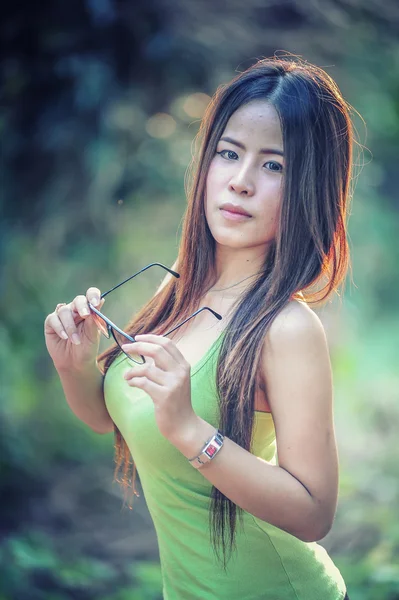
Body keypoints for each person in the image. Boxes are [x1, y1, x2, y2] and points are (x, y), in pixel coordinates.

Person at [44, 54, 356, 599]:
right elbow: (118, 418)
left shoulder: (286, 328)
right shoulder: (180, 289)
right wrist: (75, 370)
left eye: (274, 165)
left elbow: (314, 514)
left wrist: (192, 430)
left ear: (309, 185)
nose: (240, 182)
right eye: (229, 154)